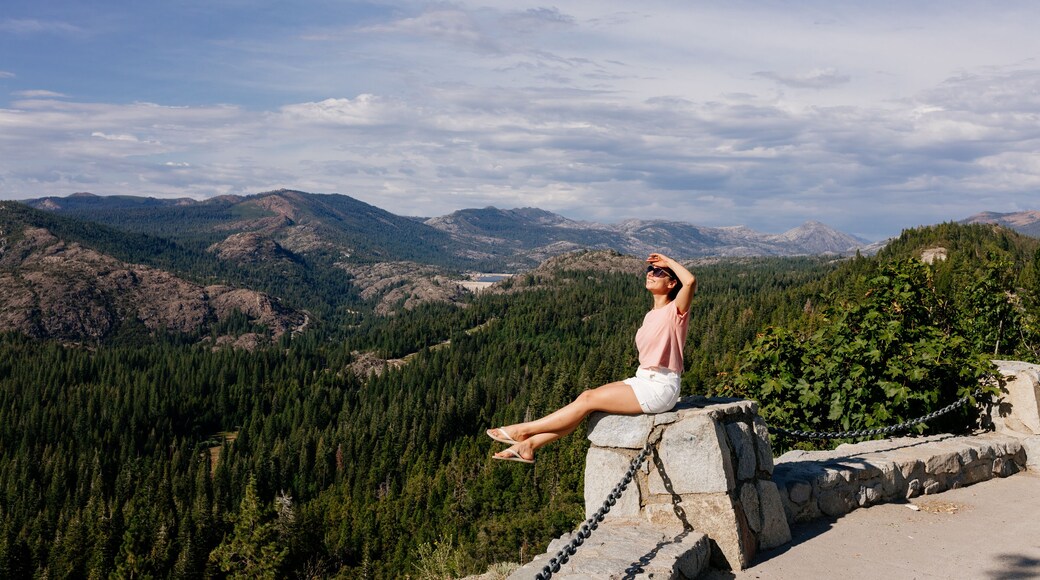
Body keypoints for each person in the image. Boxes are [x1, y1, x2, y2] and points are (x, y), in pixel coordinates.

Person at [488, 253, 696, 463]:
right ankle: (529, 445)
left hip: (660, 388)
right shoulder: (651, 314)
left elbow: (690, 281)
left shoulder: (676, 311)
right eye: (649, 270)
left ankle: (523, 430)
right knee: (586, 399)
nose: (651, 274)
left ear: (671, 283)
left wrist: (668, 261)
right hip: (643, 379)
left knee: (588, 400)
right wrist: (662, 267)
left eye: (658, 272)